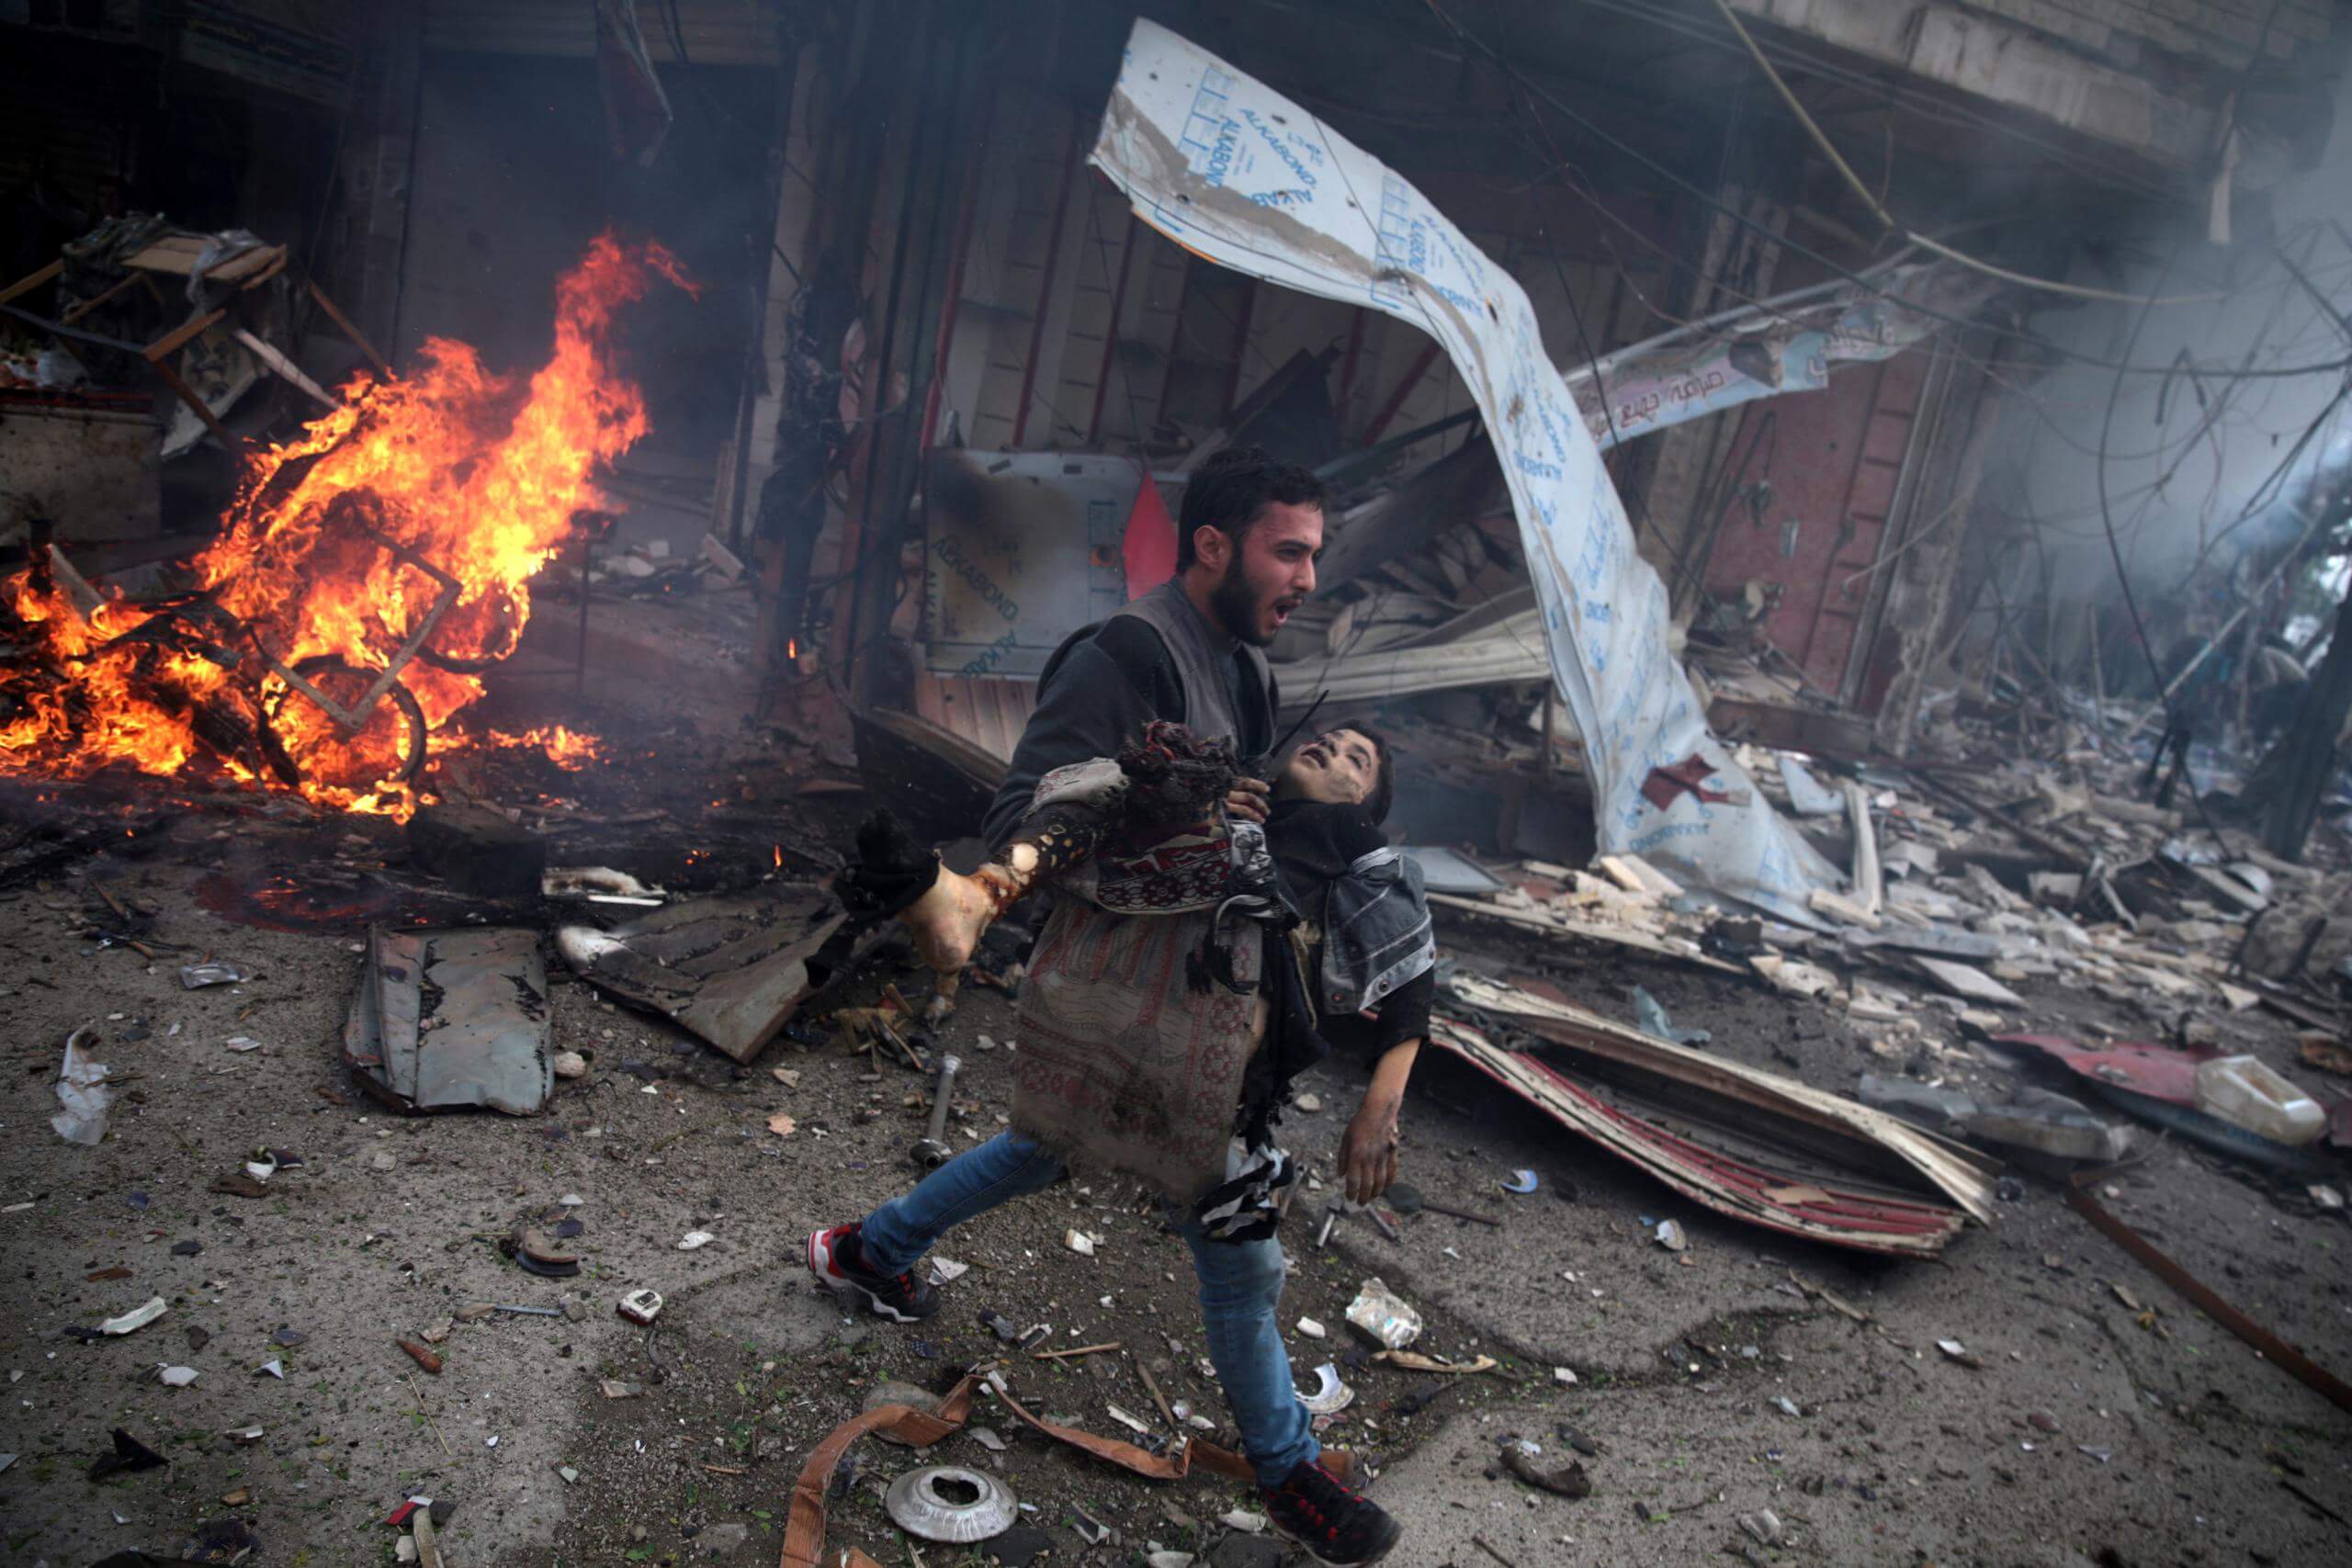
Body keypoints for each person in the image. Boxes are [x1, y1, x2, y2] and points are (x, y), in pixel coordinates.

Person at [810, 449, 1423, 1567]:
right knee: (1242, 1254)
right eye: (1288, 550)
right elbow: (1018, 811)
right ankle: (1290, 1476)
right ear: (1212, 546)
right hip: (1129, 1000)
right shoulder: (1123, 655)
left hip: (1196, 1005)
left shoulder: (1246, 671)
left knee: (1042, 1147)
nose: (1306, 577)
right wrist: (1153, 814)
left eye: (1314, 555)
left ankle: (866, 1250)